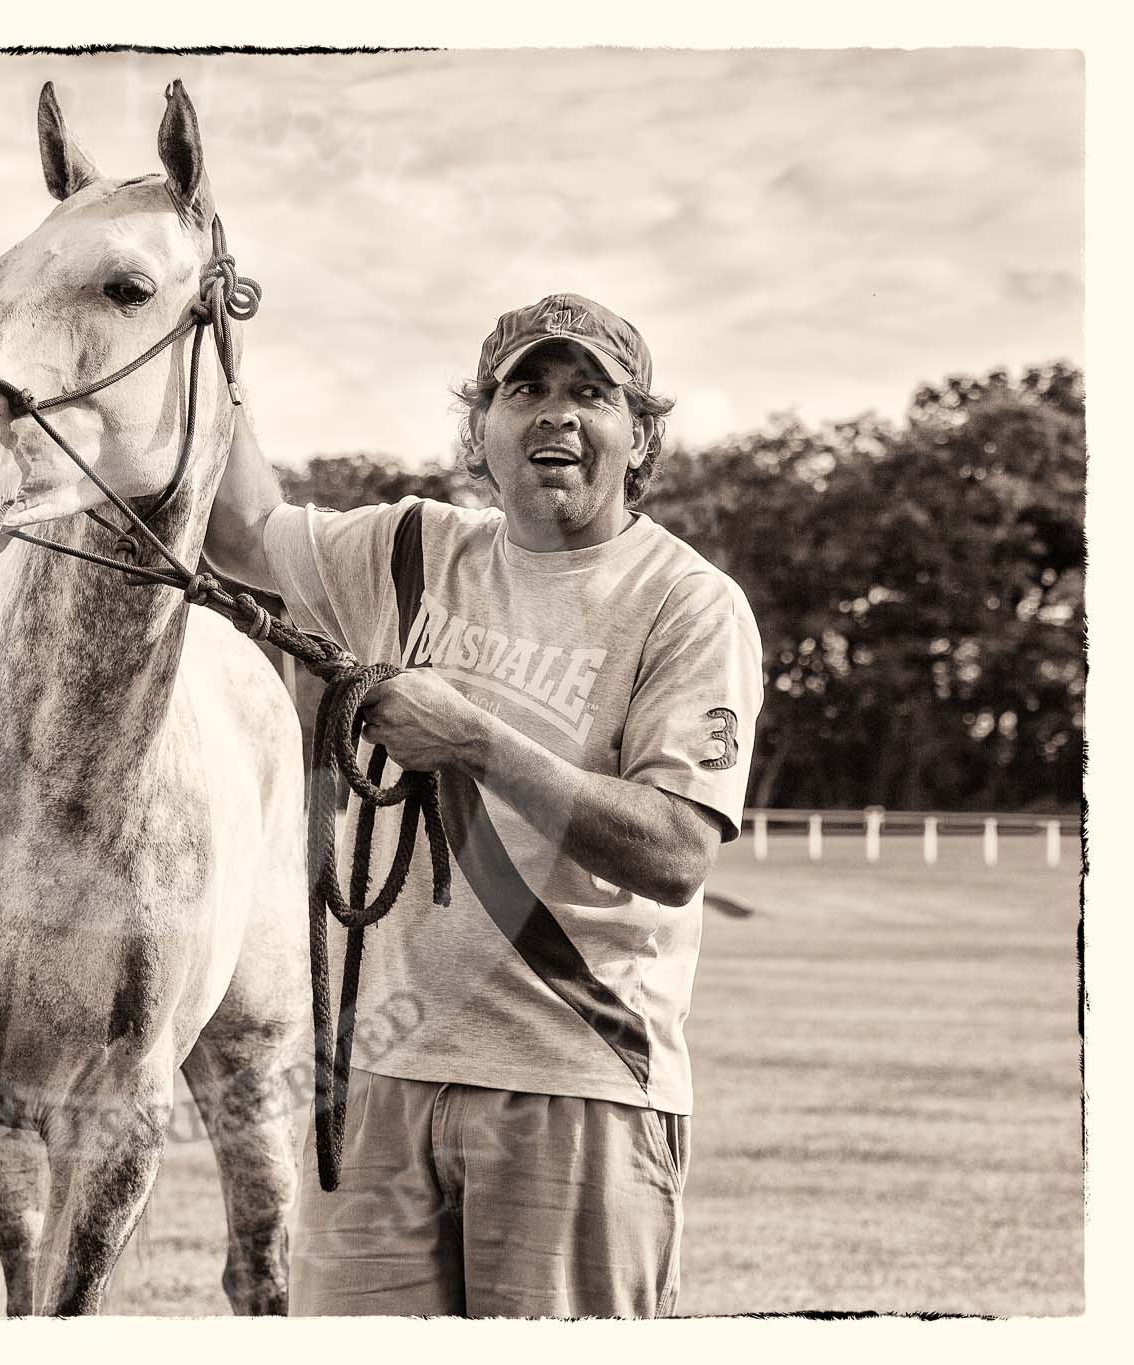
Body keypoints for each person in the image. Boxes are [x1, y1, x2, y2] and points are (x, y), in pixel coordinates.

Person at [204, 293, 763, 1317]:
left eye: (589, 393)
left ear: (639, 439)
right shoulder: (408, 549)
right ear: (480, 430)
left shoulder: (686, 602)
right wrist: (210, 330)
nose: (554, 414)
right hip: (376, 1080)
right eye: (524, 390)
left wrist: (472, 742)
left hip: (576, 1080)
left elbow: (676, 850)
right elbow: (238, 529)